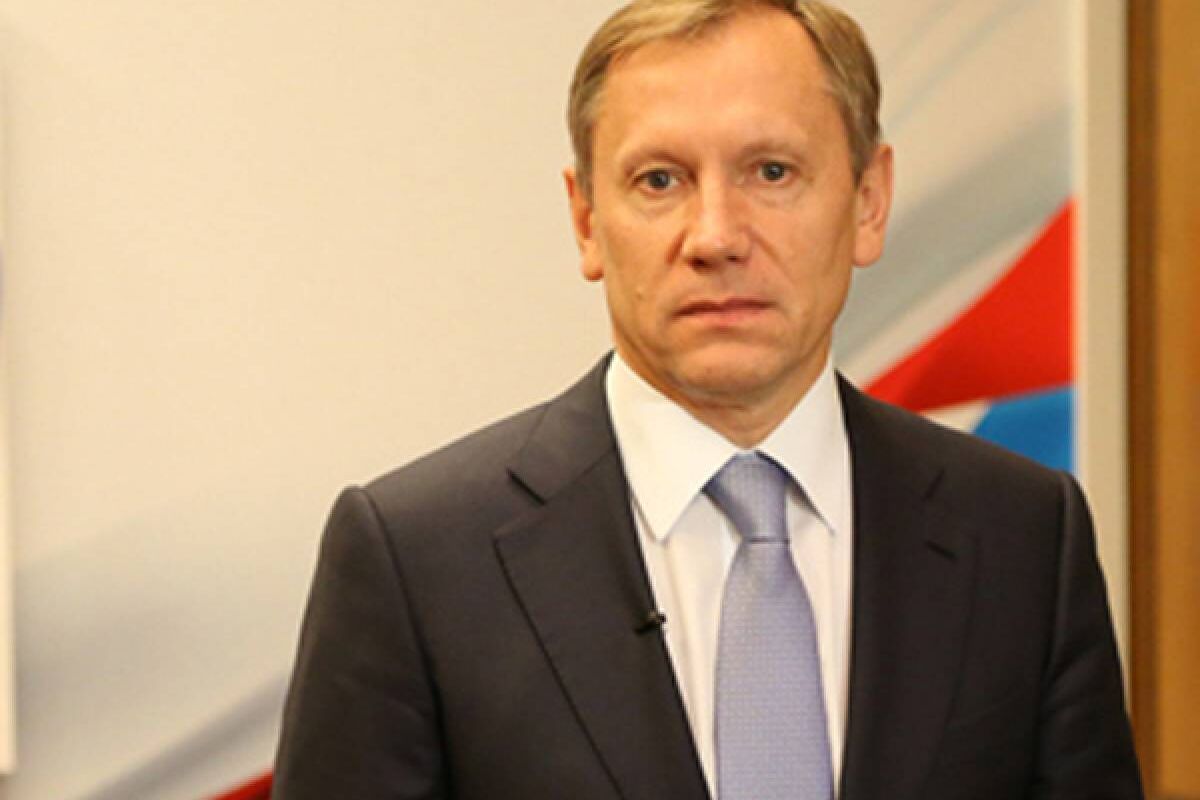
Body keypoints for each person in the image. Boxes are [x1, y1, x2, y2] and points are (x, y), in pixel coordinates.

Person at [272, 1, 1143, 798]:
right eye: (660, 180)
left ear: (869, 202)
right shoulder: (415, 562)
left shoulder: (1024, 535)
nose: (717, 236)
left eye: (772, 171)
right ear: (586, 220)